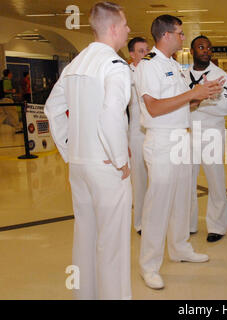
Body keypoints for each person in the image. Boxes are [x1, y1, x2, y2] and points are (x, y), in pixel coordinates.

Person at [44, 1, 133, 300]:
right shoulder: (115, 66)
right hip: (106, 166)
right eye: (125, 25)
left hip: (80, 166)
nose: (128, 30)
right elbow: (111, 115)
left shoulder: (75, 65)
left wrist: (70, 151)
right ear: (112, 29)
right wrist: (121, 160)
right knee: (113, 246)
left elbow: (52, 109)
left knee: (84, 238)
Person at [134, 15, 223, 290]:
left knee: (182, 199)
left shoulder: (173, 65)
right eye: (180, 33)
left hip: (183, 138)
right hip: (162, 142)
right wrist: (191, 94)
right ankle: (149, 266)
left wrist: (202, 95)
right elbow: (155, 108)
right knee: (157, 206)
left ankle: (180, 247)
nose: (183, 38)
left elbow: (182, 105)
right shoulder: (148, 66)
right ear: (166, 35)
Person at [186, 35, 227, 242]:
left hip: (211, 133)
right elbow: (175, 103)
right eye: (201, 47)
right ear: (192, 51)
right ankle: (188, 223)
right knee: (186, 181)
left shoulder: (220, 76)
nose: (206, 51)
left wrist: (203, 100)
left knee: (215, 181)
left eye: (208, 48)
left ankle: (217, 226)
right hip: (186, 133)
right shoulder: (182, 75)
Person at [127, 37, 150, 235]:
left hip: (155, 130)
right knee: (139, 180)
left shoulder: (152, 70)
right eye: (141, 51)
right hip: (136, 132)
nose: (145, 54)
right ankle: (141, 222)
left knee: (158, 179)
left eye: (147, 50)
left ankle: (158, 218)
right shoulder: (125, 74)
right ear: (132, 54)